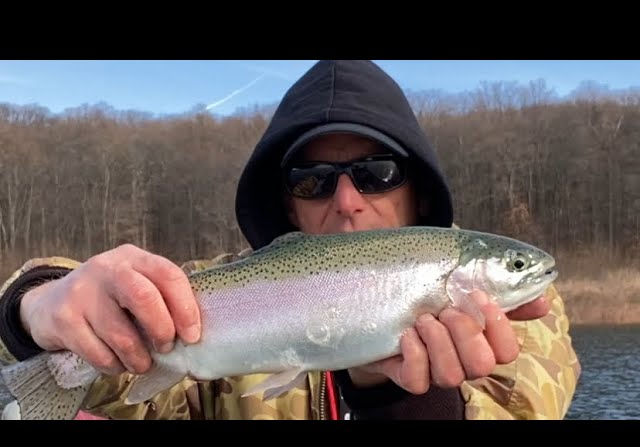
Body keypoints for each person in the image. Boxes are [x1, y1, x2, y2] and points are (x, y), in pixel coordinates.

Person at [0, 60, 581, 420]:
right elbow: (129, 387)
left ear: (420, 192)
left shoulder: (520, 311)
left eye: (378, 173)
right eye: (313, 180)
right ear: (284, 201)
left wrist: (404, 402)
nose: (347, 200)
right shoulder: (210, 284)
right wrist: (34, 306)